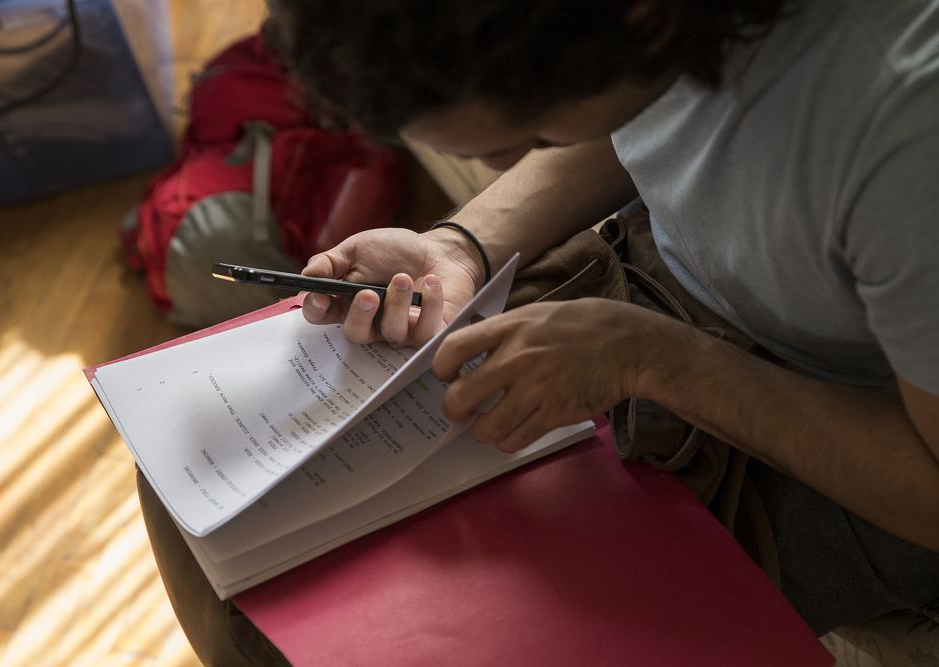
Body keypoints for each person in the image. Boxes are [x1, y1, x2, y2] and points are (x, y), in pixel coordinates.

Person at [266, 0, 939, 638]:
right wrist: (461, 244)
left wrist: (657, 360)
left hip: (848, 435)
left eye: (532, 131)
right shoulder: (644, 30)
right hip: (666, 285)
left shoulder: (906, 124)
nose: (510, 161)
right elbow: (631, 106)